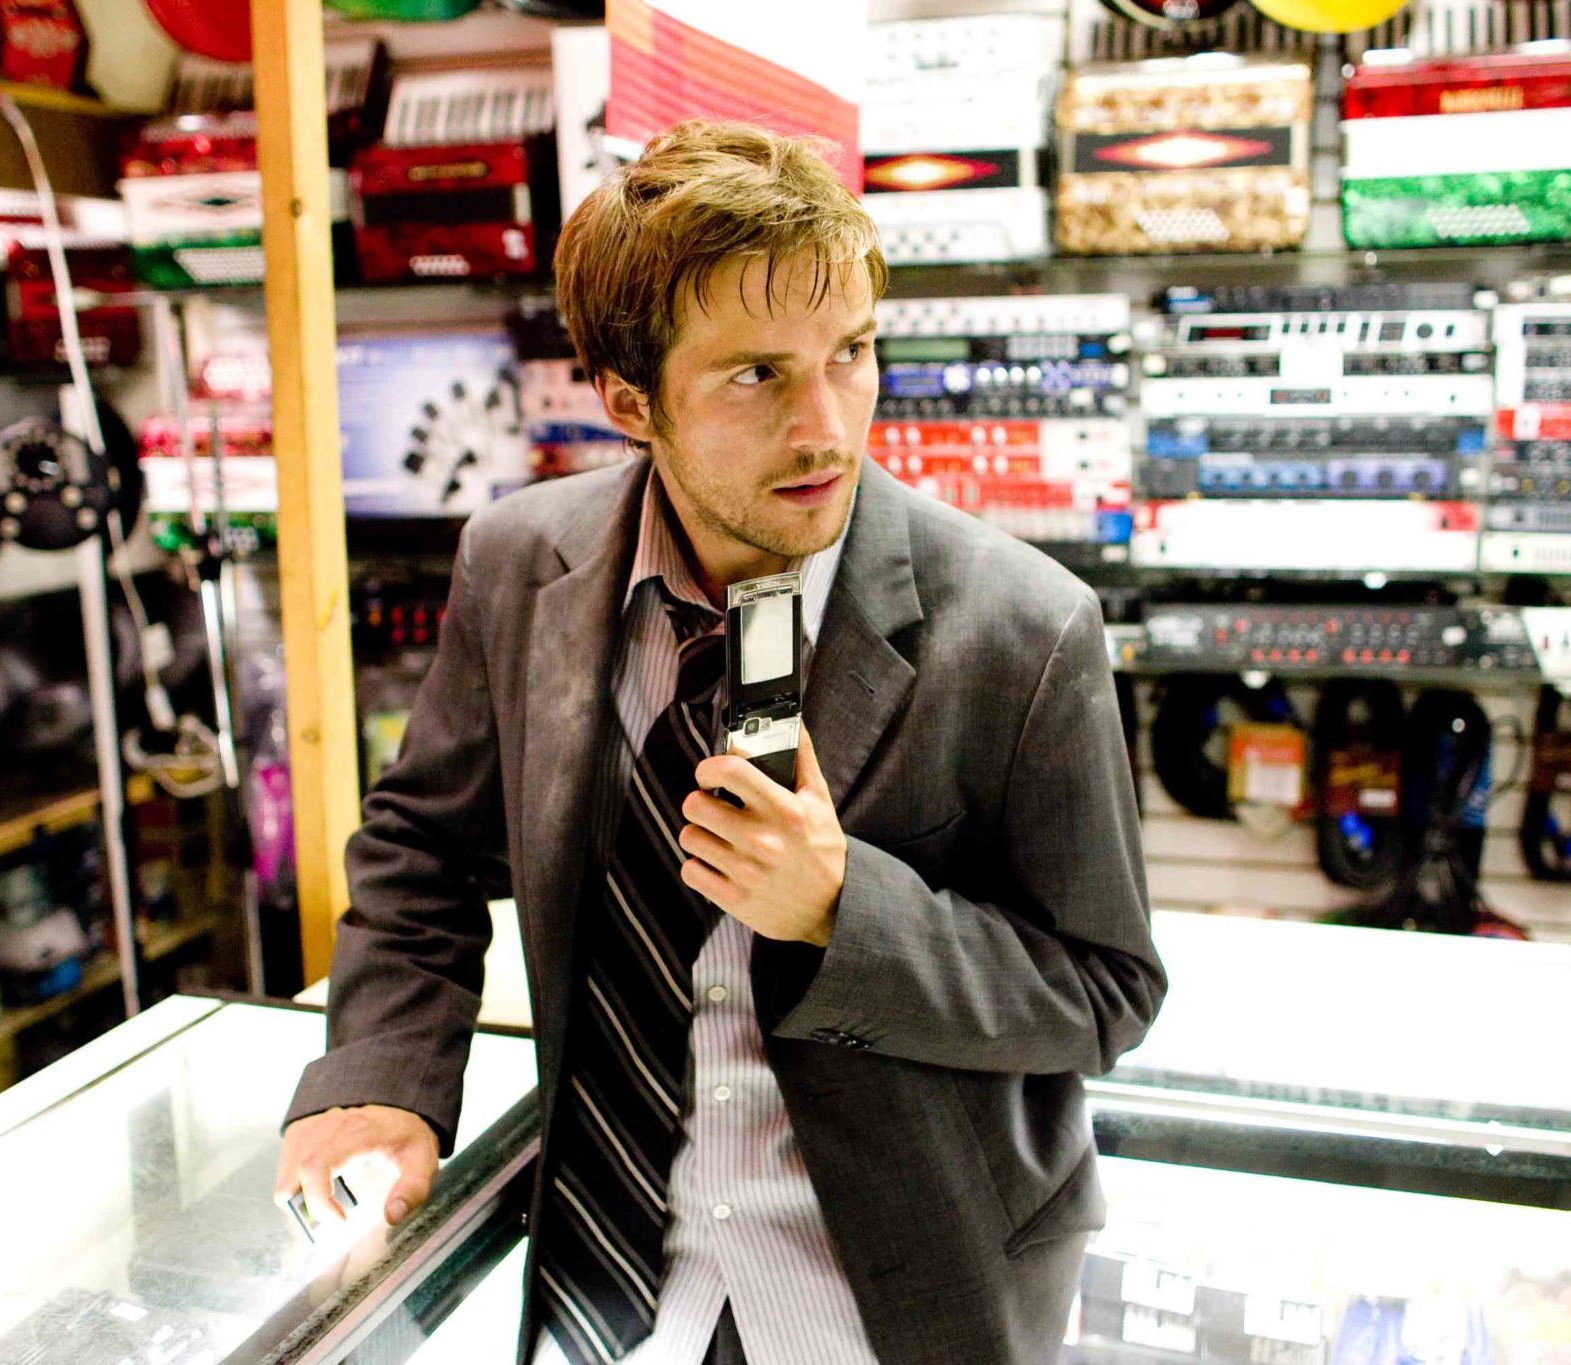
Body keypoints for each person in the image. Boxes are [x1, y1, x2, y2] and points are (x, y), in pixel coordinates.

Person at [276, 119, 1166, 1365]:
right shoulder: (519, 563)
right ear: (626, 400)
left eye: (850, 352)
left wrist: (845, 912)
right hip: (606, 1282)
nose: (826, 426)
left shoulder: (1024, 629)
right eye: (756, 375)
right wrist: (378, 1077)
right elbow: (422, 849)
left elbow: (1105, 992)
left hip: (893, 1299)